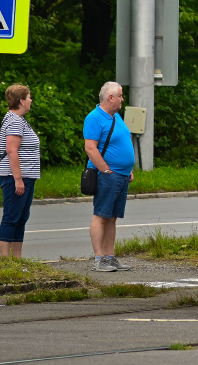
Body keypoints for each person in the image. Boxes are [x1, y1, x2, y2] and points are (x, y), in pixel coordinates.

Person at [84, 81, 136, 272]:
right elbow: (90, 148)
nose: (123, 99)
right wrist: (105, 170)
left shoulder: (115, 117)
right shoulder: (94, 118)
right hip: (107, 175)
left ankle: (110, 257)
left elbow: (121, 142)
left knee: (112, 217)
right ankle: (99, 259)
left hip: (121, 175)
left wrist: (127, 168)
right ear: (110, 97)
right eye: (120, 96)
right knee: (101, 215)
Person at [0, 83, 40, 257]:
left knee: (21, 218)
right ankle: (5, 262)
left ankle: (17, 260)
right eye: (29, 97)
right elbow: (12, 150)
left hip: (26, 177)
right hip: (14, 177)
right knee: (12, 217)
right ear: (22, 101)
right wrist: (18, 179)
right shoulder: (14, 121)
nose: (31, 100)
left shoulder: (18, 119)